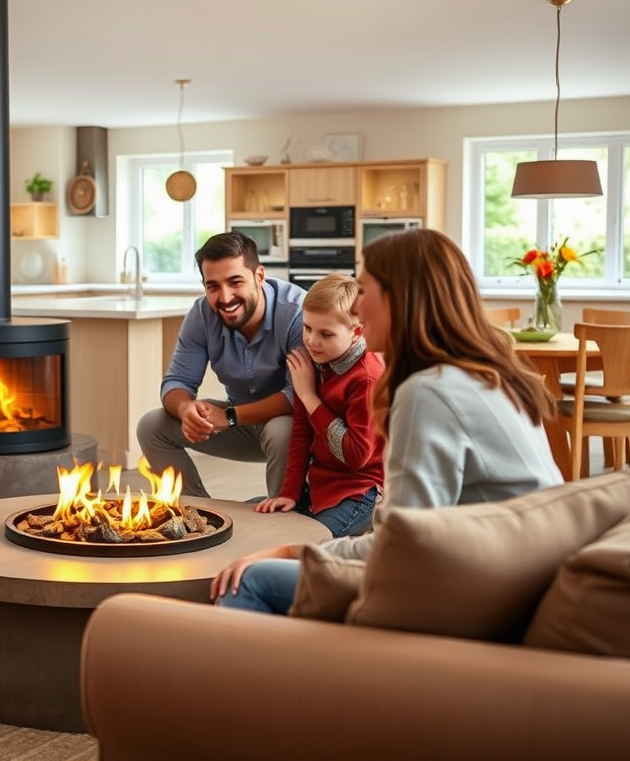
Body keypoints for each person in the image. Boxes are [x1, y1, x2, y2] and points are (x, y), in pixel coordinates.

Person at [211, 229, 563, 614]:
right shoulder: (491, 373)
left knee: (249, 580)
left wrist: (290, 550)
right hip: (516, 574)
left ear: (399, 301)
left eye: (364, 290)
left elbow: (402, 545)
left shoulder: (428, 392)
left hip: (476, 589)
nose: (357, 306)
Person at [137, 231, 306, 498]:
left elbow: (297, 396)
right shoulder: (202, 314)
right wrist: (185, 408)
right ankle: (198, 516)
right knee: (151, 425)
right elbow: (177, 382)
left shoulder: (297, 312)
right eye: (213, 286)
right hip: (241, 425)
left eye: (235, 282)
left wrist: (229, 416)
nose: (225, 297)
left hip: (296, 430)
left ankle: (285, 519)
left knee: (281, 429)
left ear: (259, 276)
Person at [254, 273, 384, 538]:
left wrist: (308, 396)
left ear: (356, 331)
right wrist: (289, 493)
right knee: (259, 522)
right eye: (307, 328)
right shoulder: (315, 362)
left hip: (360, 494)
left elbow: (356, 456)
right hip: (319, 488)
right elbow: (301, 431)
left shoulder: (367, 378)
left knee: (305, 543)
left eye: (325, 333)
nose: (312, 341)